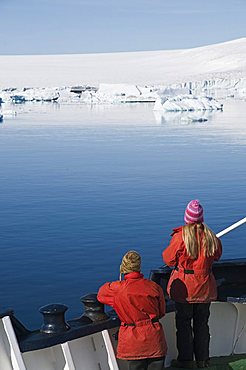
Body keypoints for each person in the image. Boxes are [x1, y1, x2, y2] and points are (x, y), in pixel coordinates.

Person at [162, 200, 222, 369]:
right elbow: (217, 255)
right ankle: (203, 360)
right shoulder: (210, 236)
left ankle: (186, 361)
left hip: (185, 290)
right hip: (205, 287)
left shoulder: (181, 237)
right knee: (202, 324)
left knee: (183, 325)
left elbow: (168, 259)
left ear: (187, 218)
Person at [97, 250, 167, 370]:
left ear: (123, 268)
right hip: (154, 338)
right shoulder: (154, 287)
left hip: (132, 340)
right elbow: (161, 312)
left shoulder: (117, 289)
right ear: (139, 267)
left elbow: (101, 295)